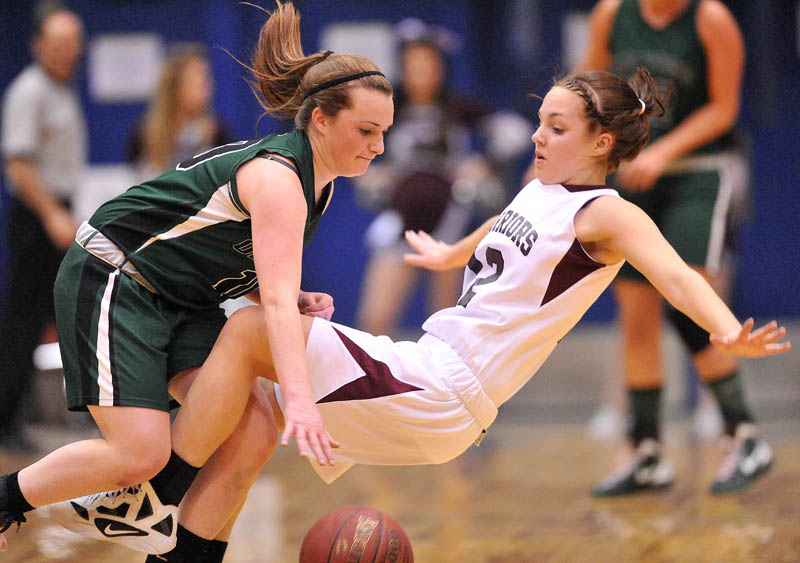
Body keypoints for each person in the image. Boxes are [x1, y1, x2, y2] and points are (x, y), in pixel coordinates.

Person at [23, 66, 791, 560]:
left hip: (447, 388)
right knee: (253, 421)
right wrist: (450, 253)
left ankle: (151, 494)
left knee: (256, 328)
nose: (537, 134)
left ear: (602, 140)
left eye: (556, 127)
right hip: (431, 376)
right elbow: (505, 232)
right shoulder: (544, 190)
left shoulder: (610, 213)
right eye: (540, 121)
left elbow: (675, 275)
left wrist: (724, 327)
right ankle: (180, 548)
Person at [0, 1, 393, 559]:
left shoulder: (319, 184)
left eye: (384, 131)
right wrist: (301, 402)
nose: (378, 146)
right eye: (367, 129)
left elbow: (257, 276)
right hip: (117, 275)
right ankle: (13, 500)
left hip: (185, 297)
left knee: (253, 435)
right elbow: (277, 307)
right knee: (140, 452)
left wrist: (274, 290)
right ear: (321, 119)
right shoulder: (281, 178)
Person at [575, 0, 766, 496]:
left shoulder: (711, 18)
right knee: (636, 318)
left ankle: (743, 435)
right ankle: (646, 453)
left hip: (695, 176)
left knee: (688, 310)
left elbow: (724, 108)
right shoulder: (611, 14)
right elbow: (588, 86)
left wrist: (661, 151)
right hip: (633, 177)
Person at [354, 19, 531, 338]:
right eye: (413, 67)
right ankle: (380, 385)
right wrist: (369, 172)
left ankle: (438, 388)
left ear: (441, 69)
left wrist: (485, 162)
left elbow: (516, 133)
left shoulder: (459, 108)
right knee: (375, 319)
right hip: (400, 226)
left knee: (444, 324)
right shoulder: (389, 109)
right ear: (402, 69)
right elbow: (353, 146)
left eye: (428, 66)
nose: (421, 75)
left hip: (451, 225)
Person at [0, 5, 86, 453]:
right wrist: (52, 213)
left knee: (72, 311)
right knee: (24, 320)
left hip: (59, 211)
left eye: (74, 42)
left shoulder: (61, 91)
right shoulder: (29, 91)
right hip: (38, 217)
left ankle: (88, 412)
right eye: (59, 43)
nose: (68, 51)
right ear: (38, 45)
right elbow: (18, 165)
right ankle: (5, 418)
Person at [127, 43, 232, 181]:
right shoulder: (144, 133)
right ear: (175, 85)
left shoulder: (216, 131)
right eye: (198, 76)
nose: (207, 84)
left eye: (207, 77)